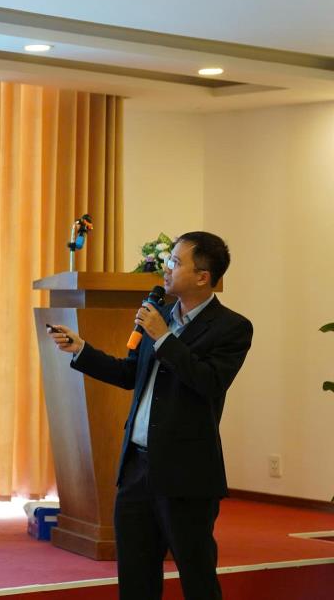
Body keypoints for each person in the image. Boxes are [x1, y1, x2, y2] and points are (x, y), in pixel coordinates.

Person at [47, 231, 253, 600]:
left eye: (175, 262)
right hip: (136, 469)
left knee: (197, 576)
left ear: (203, 277)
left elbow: (208, 382)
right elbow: (130, 374)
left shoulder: (232, 327)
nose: (166, 268)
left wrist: (163, 338)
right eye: (168, 260)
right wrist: (81, 350)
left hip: (186, 473)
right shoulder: (158, 317)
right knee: (136, 576)